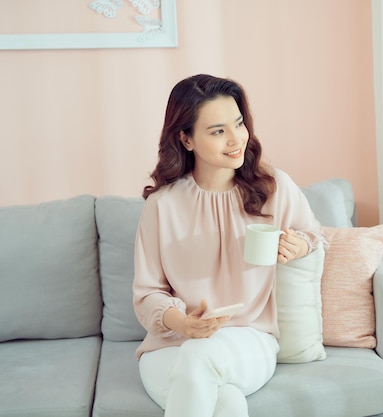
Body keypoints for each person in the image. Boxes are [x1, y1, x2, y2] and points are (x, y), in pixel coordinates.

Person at [133, 74, 325, 417]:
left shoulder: (274, 187)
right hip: (169, 347)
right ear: (186, 139)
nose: (236, 138)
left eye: (238, 123)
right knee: (225, 403)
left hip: (248, 339)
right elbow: (148, 293)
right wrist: (182, 323)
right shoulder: (162, 205)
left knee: (199, 357)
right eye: (218, 130)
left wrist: (298, 247)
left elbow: (314, 235)